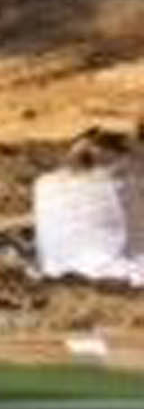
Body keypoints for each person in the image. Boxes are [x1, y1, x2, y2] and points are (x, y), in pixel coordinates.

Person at [29, 122, 144, 286]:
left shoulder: (132, 264)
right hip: (60, 179)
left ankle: (116, 144)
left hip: (114, 172)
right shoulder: (54, 266)